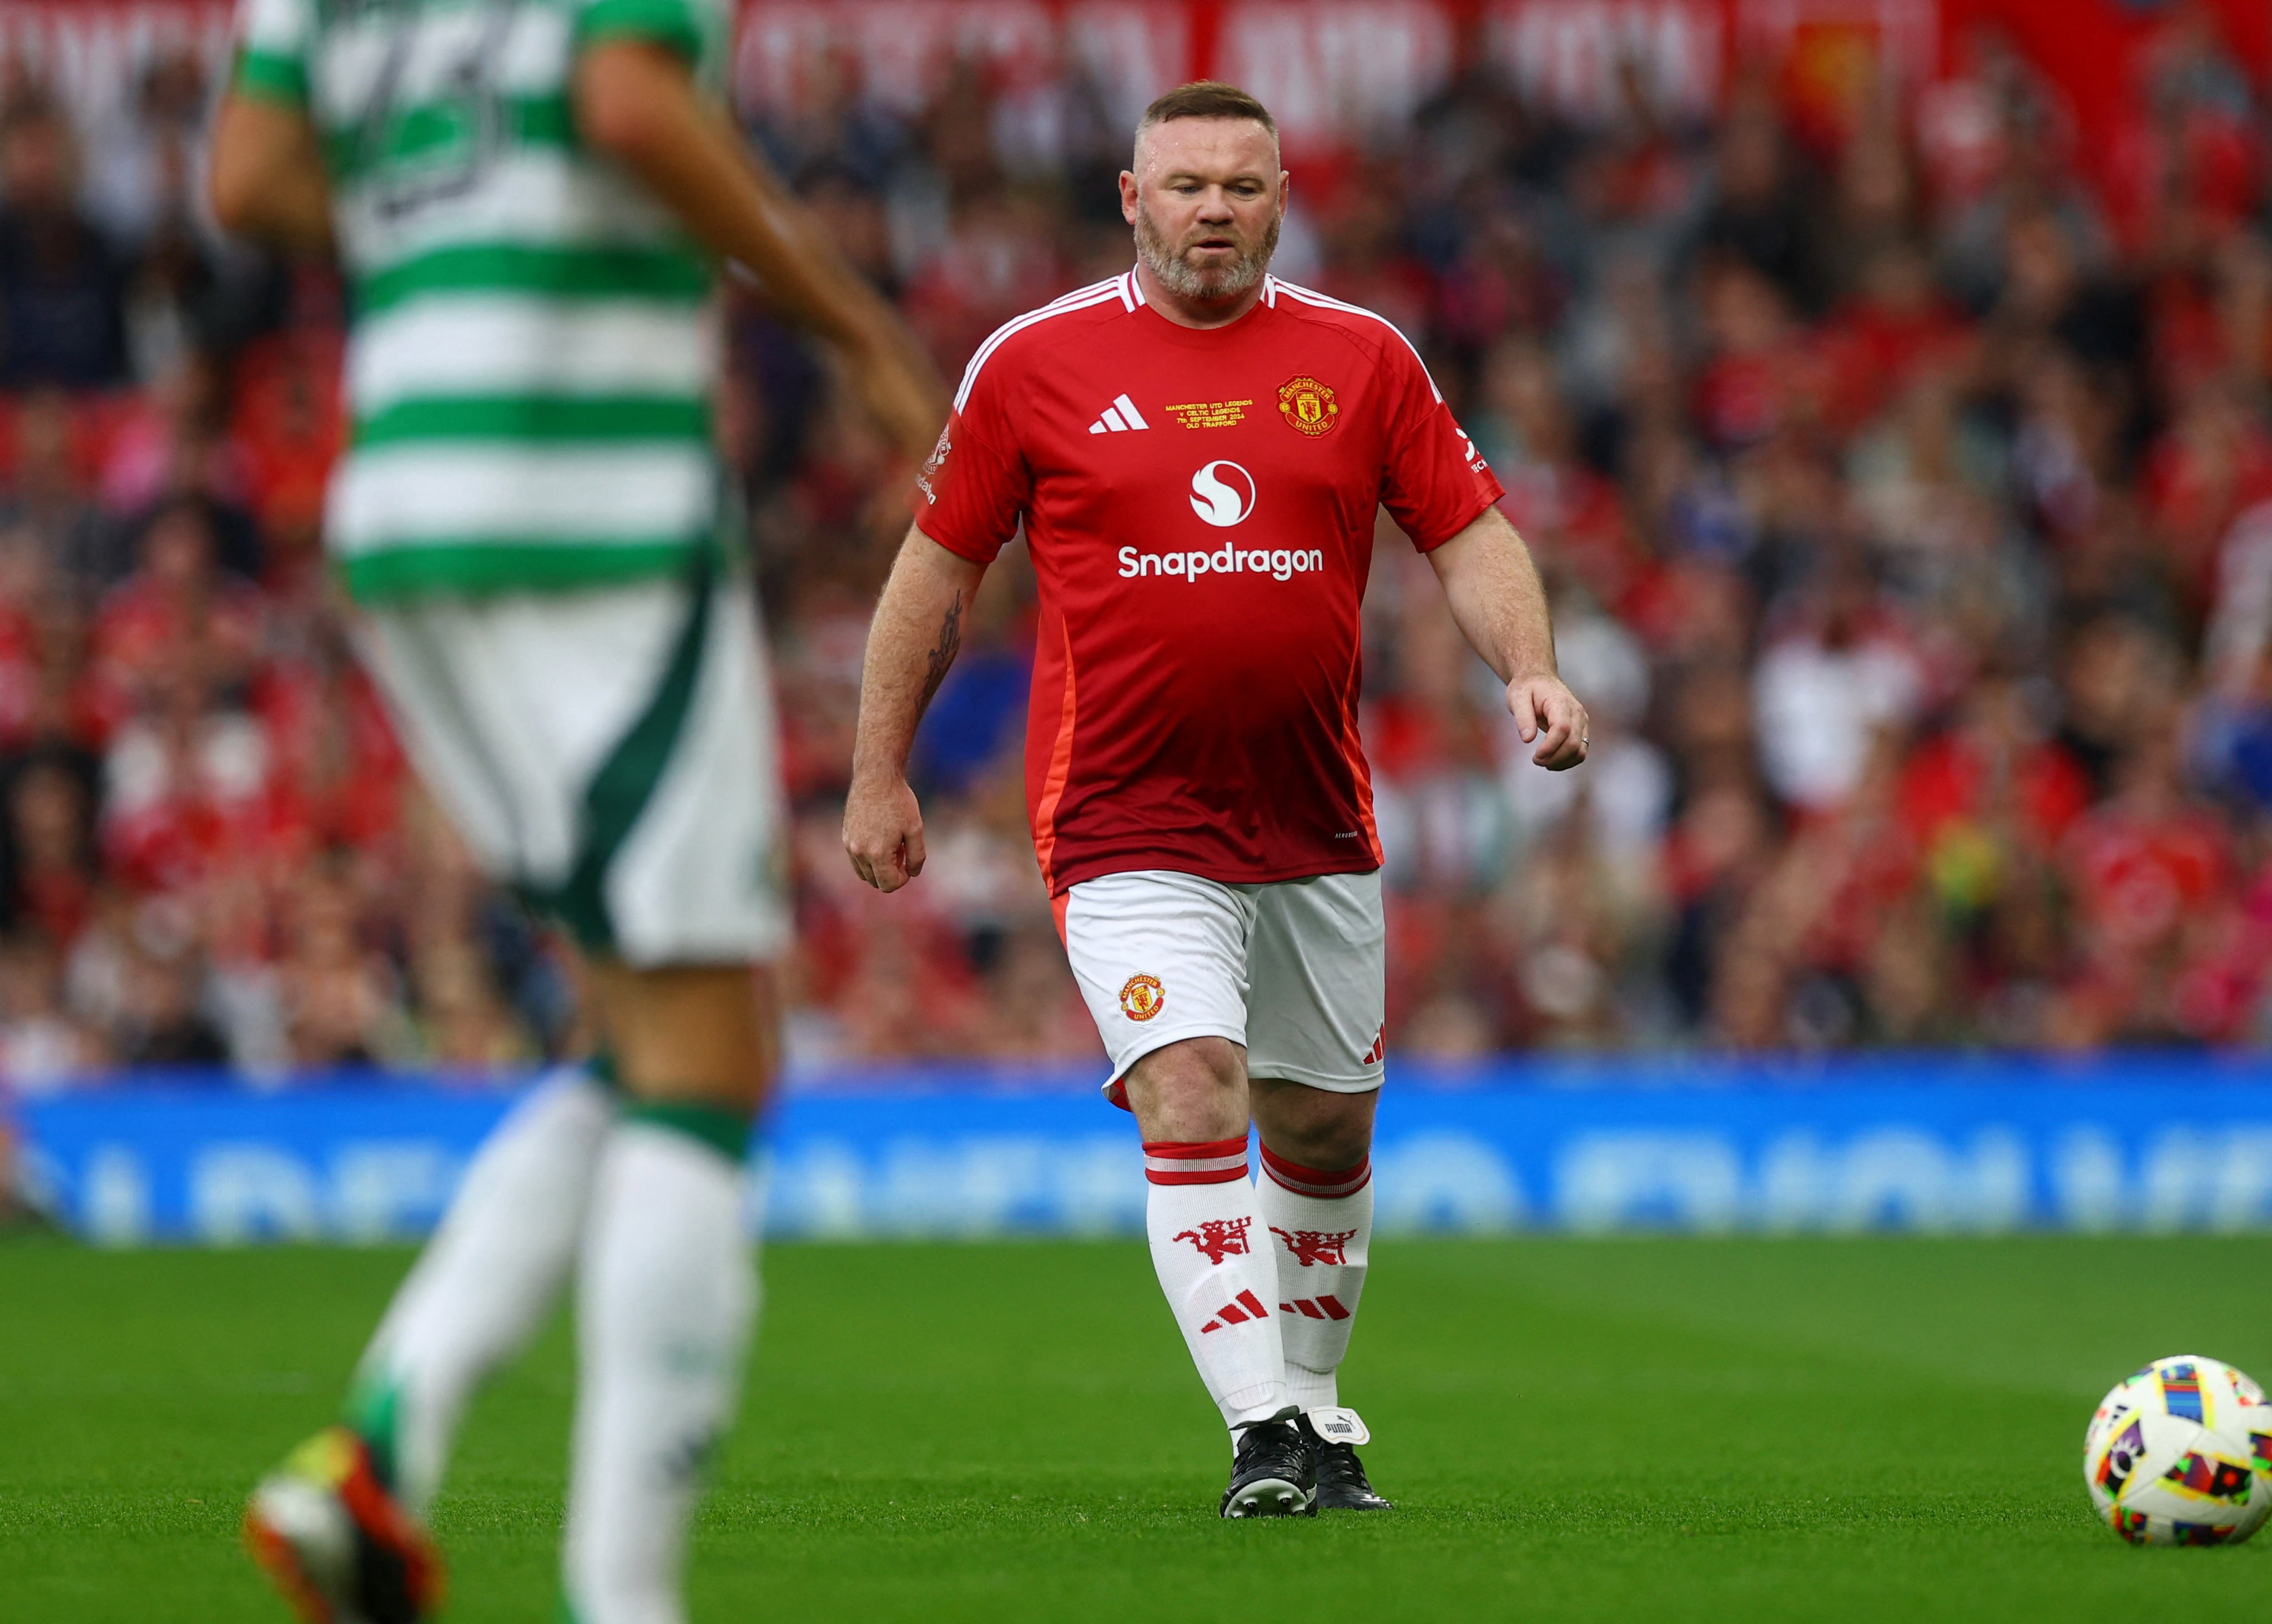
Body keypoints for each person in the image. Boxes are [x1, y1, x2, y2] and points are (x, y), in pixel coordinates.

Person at [207, 1, 940, 1618]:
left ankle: (379, 1457)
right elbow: (623, 99)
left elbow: (249, 174)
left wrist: (445, 241)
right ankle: (623, 1598)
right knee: (713, 1064)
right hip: (584, 515)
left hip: (401, 503)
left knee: (656, 1032)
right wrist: (847, 323)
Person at [844, 81, 1589, 1517]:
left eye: (1239, 188)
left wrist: (1531, 670)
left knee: (1322, 1133)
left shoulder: (1362, 358)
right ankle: (1261, 1432)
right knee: (1191, 1087)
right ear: (1131, 197)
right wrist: (880, 770)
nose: (1210, 212)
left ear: (1279, 200)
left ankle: (1315, 1417)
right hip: (1122, 813)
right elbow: (934, 575)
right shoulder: (1031, 362)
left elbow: (1468, 528)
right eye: (1182, 185)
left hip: (1313, 814)